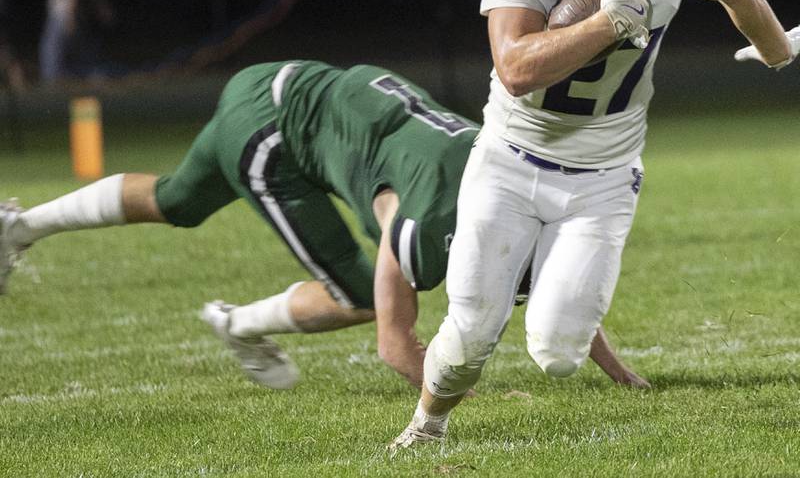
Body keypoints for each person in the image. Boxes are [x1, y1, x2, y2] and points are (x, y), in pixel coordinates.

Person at [391, 0, 799, 449]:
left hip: (606, 172)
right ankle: (427, 424)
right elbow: (518, 68)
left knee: (557, 351)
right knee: (470, 332)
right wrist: (612, 22)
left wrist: (779, 49)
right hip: (511, 158)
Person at [0, 60, 646, 390]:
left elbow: (559, 276)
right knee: (362, 295)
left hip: (283, 82)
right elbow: (396, 343)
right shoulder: (427, 223)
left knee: (178, 201)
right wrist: (454, 401)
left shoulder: (512, 180)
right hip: (276, 135)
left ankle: (20, 225)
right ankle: (239, 324)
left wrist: (612, 367)